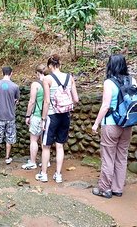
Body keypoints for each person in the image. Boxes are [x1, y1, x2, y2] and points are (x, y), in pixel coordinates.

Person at [91, 54, 136, 198]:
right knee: (122, 156)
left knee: (108, 156)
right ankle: (117, 188)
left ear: (110, 65)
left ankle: (105, 188)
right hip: (127, 124)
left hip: (111, 124)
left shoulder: (109, 83)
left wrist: (96, 124)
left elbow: (105, 106)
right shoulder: (132, 80)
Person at [36, 54, 79, 183]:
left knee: (46, 146)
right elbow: (76, 99)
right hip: (65, 115)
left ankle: (44, 174)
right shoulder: (69, 77)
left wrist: (43, 119)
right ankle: (58, 175)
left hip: (51, 115)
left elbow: (47, 101)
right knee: (60, 146)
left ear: (49, 66)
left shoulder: (47, 79)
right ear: (60, 64)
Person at [0, 66, 20, 167]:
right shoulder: (15, 86)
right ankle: (7, 158)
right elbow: (17, 100)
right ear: (11, 73)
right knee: (9, 137)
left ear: (2, 73)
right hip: (10, 116)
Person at [22, 64, 46, 170]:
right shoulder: (50, 82)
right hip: (47, 115)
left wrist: (28, 115)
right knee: (44, 139)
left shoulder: (36, 84)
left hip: (37, 114)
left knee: (33, 139)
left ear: (37, 73)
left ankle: (32, 162)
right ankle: (46, 161)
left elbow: (32, 101)